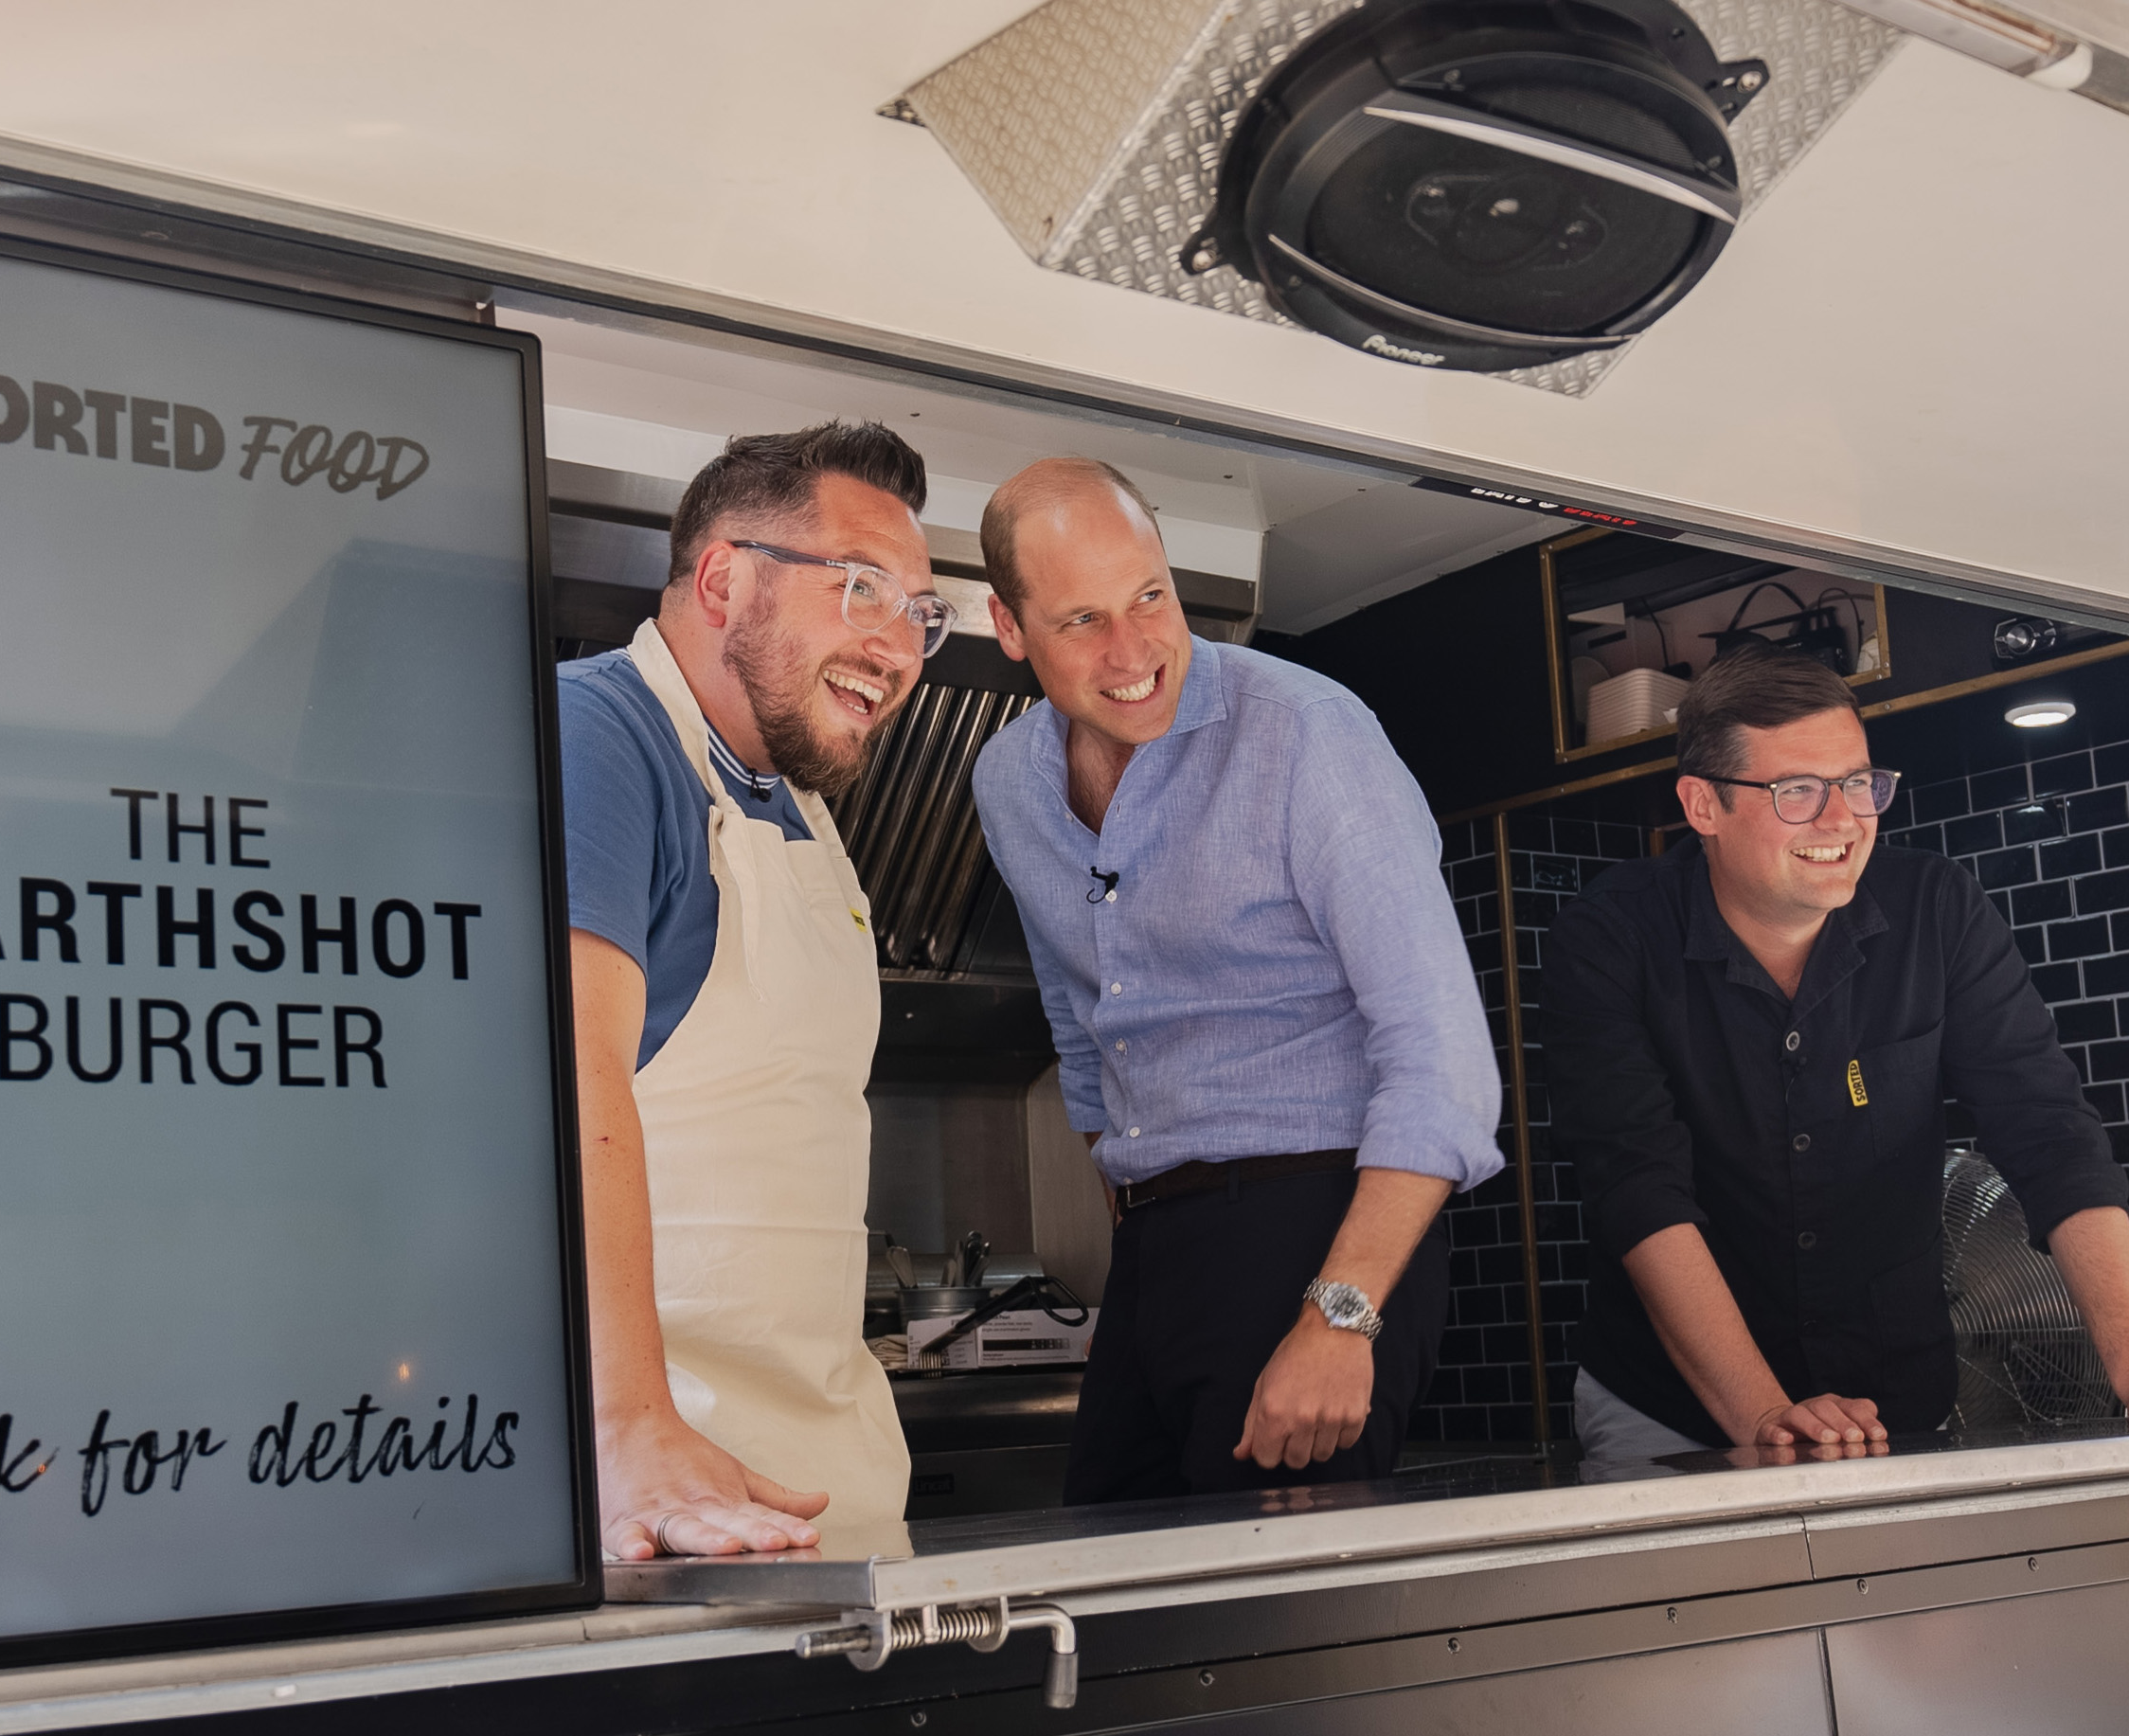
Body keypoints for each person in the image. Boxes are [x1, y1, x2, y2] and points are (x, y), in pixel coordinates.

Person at [1544, 643, 2129, 1476]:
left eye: (1857, 783)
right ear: (1703, 805)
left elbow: (2048, 1132)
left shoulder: (1938, 909)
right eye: (1798, 791)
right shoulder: (1608, 938)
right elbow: (1637, 1186)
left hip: (1894, 1400)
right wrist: (1763, 1413)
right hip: (1666, 1409)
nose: (1843, 820)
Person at [971, 458, 1502, 1501]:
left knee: (1274, 1638)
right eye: (1081, 620)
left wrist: (1336, 1317)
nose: (1133, 654)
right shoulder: (1006, 780)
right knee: (1117, 1594)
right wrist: (1140, 1258)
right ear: (1007, 625)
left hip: (1319, 1226)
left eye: (1149, 597)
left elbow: (1444, 1065)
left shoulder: (1308, 732)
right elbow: (1084, 1030)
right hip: (1155, 1246)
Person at [558, 421, 953, 1560]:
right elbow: (559, 1084)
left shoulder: (801, 810)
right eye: (863, 588)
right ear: (724, 579)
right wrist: (626, 1425)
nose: (899, 646)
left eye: (919, 614)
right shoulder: (600, 736)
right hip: (668, 1507)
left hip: (829, 1491)